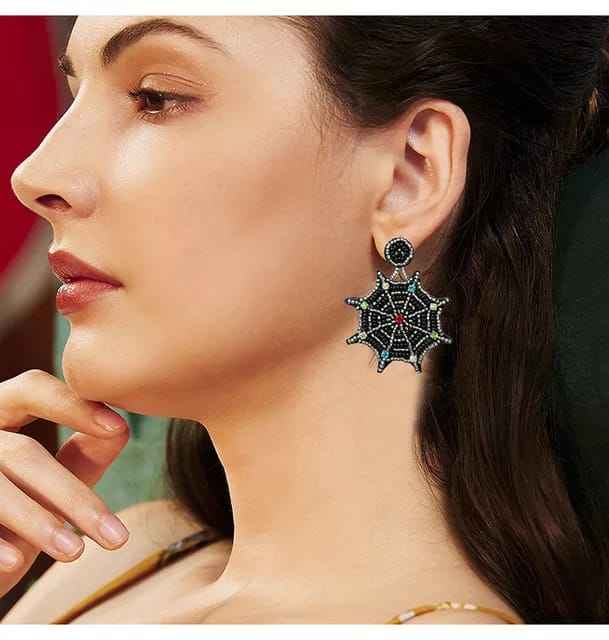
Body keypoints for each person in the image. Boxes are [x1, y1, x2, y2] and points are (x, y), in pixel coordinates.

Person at [1, 16, 608, 624]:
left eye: (155, 98)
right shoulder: (122, 556)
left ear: (408, 174)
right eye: (75, 96)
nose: (33, 175)